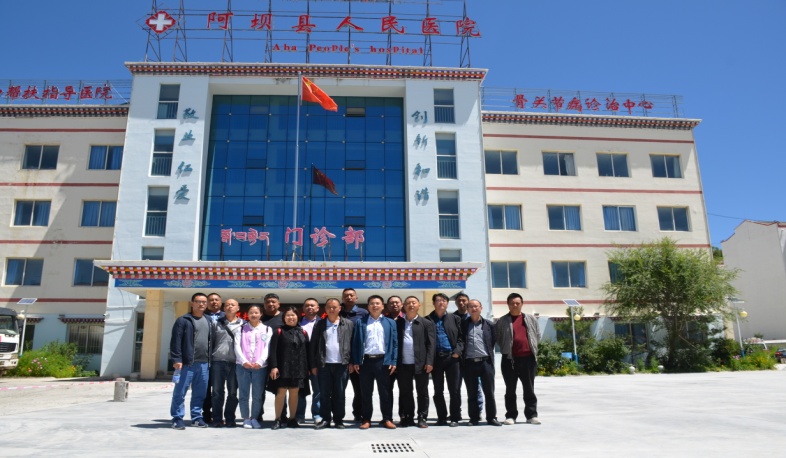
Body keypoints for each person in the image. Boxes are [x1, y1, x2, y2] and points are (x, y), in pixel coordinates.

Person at [351, 295, 398, 429]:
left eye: (378, 303)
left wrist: (393, 361)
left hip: (383, 361)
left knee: (385, 392)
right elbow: (356, 342)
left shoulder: (390, 322)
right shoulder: (361, 322)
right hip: (365, 361)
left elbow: (395, 344)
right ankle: (366, 419)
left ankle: (387, 418)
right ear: (368, 307)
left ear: (382, 306)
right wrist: (356, 360)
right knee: (366, 392)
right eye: (372, 303)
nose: (375, 306)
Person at [495, 292, 541, 426]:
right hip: (509, 360)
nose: (515, 305)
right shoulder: (502, 321)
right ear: (508, 304)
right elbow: (498, 338)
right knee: (510, 390)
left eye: (517, 303)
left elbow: (537, 335)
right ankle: (511, 415)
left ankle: (531, 415)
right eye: (512, 303)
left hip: (528, 359)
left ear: (522, 304)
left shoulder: (531, 319)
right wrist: (507, 348)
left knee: (529, 389)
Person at [169, 292, 212, 430]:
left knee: (200, 393)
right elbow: (176, 341)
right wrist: (177, 359)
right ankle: (177, 418)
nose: (201, 304)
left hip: (204, 363)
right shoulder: (183, 320)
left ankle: (196, 417)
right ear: (192, 303)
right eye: (198, 301)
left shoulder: (209, 320)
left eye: (204, 302)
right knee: (180, 392)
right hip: (186, 363)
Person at [310, 298, 354, 430]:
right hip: (324, 365)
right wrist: (313, 365)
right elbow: (313, 345)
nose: (332, 309)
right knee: (324, 393)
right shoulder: (320, 324)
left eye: (334, 307)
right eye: (329, 307)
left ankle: (338, 419)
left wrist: (352, 362)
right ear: (325, 309)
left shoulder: (348, 324)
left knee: (339, 394)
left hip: (342, 364)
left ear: (340, 308)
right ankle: (325, 419)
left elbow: (353, 344)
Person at [458, 299, 501, 426]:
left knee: (489, 392)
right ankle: (474, 418)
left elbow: (493, 341)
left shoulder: (489, 324)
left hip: (485, 362)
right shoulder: (463, 325)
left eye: (476, 306)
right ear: (468, 309)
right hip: (469, 363)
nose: (474, 308)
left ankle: (491, 417)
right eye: (471, 306)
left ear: (481, 308)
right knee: (472, 393)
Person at [268, 306, 311, 430]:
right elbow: (273, 351)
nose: (291, 317)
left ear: (298, 316)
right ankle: (278, 419)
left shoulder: (303, 332)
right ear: (284, 318)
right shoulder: (279, 331)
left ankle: (292, 419)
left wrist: (308, 368)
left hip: (299, 368)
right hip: (282, 368)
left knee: (294, 393)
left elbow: (307, 351)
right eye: (288, 315)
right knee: (280, 393)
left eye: (293, 315)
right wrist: (274, 366)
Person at [395, 296, 435, 428]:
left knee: (422, 392)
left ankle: (422, 417)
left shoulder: (426, 323)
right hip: (403, 364)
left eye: (414, 303)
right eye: (408, 303)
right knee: (405, 392)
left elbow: (431, 344)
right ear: (403, 306)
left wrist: (429, 362)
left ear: (419, 305)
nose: (411, 305)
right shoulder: (398, 323)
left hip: (421, 364)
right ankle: (408, 417)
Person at [425, 292, 463, 427]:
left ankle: (454, 417)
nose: (441, 302)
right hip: (436, 359)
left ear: (447, 303)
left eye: (444, 300)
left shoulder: (455, 318)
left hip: (452, 358)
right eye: (439, 300)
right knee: (438, 390)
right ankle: (441, 417)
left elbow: (461, 338)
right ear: (433, 303)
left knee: (454, 390)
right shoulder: (427, 320)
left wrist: (457, 351)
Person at [234, 304, 273, 430]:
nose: (253, 315)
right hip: (242, 366)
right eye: (251, 312)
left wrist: (261, 361)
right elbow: (237, 346)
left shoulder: (267, 329)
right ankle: (246, 418)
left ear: (261, 314)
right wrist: (243, 361)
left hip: (260, 367)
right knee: (243, 394)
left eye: (256, 312)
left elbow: (267, 347)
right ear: (247, 314)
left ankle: (255, 418)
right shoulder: (241, 329)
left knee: (257, 395)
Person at [210, 298, 244, 428]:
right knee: (217, 392)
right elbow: (211, 342)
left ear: (238, 308)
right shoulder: (216, 323)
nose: (230, 307)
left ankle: (230, 418)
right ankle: (217, 419)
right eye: (227, 305)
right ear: (224, 308)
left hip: (235, 363)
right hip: (218, 361)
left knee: (233, 393)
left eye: (233, 305)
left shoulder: (244, 325)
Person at [338, 287, 368, 422]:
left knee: (360, 389)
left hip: (357, 358)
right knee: (338, 390)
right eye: (346, 295)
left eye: (351, 295)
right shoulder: (338, 312)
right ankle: (337, 416)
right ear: (342, 298)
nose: (349, 297)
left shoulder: (363, 313)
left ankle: (358, 413)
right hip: (340, 358)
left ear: (356, 298)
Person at [453, 292, 483, 412]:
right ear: (456, 303)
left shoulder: (473, 317)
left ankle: (478, 411)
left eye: (464, 300)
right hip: (456, 359)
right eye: (459, 300)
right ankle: (456, 412)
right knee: (455, 388)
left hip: (471, 359)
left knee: (475, 387)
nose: (461, 303)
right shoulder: (452, 318)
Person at [258, 292, 283, 422]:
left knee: (280, 390)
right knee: (259, 390)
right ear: (264, 304)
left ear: (279, 304)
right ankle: (258, 415)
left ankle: (281, 416)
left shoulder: (284, 317)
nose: (270, 304)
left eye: (273, 301)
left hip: (279, 360)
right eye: (268, 302)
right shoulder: (259, 318)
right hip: (260, 360)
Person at [297, 298, 322, 425]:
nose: (310, 307)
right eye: (307, 305)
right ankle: (299, 415)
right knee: (300, 391)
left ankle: (317, 414)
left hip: (317, 363)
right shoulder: (297, 323)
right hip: (300, 363)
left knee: (318, 391)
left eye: (312, 305)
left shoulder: (323, 323)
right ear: (303, 308)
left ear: (318, 308)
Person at [202, 292, 225, 424]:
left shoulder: (226, 317)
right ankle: (206, 414)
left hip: (221, 358)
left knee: (218, 390)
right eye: (211, 300)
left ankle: (218, 415)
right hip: (205, 358)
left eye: (216, 300)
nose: (214, 302)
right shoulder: (201, 316)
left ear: (221, 302)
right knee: (205, 388)